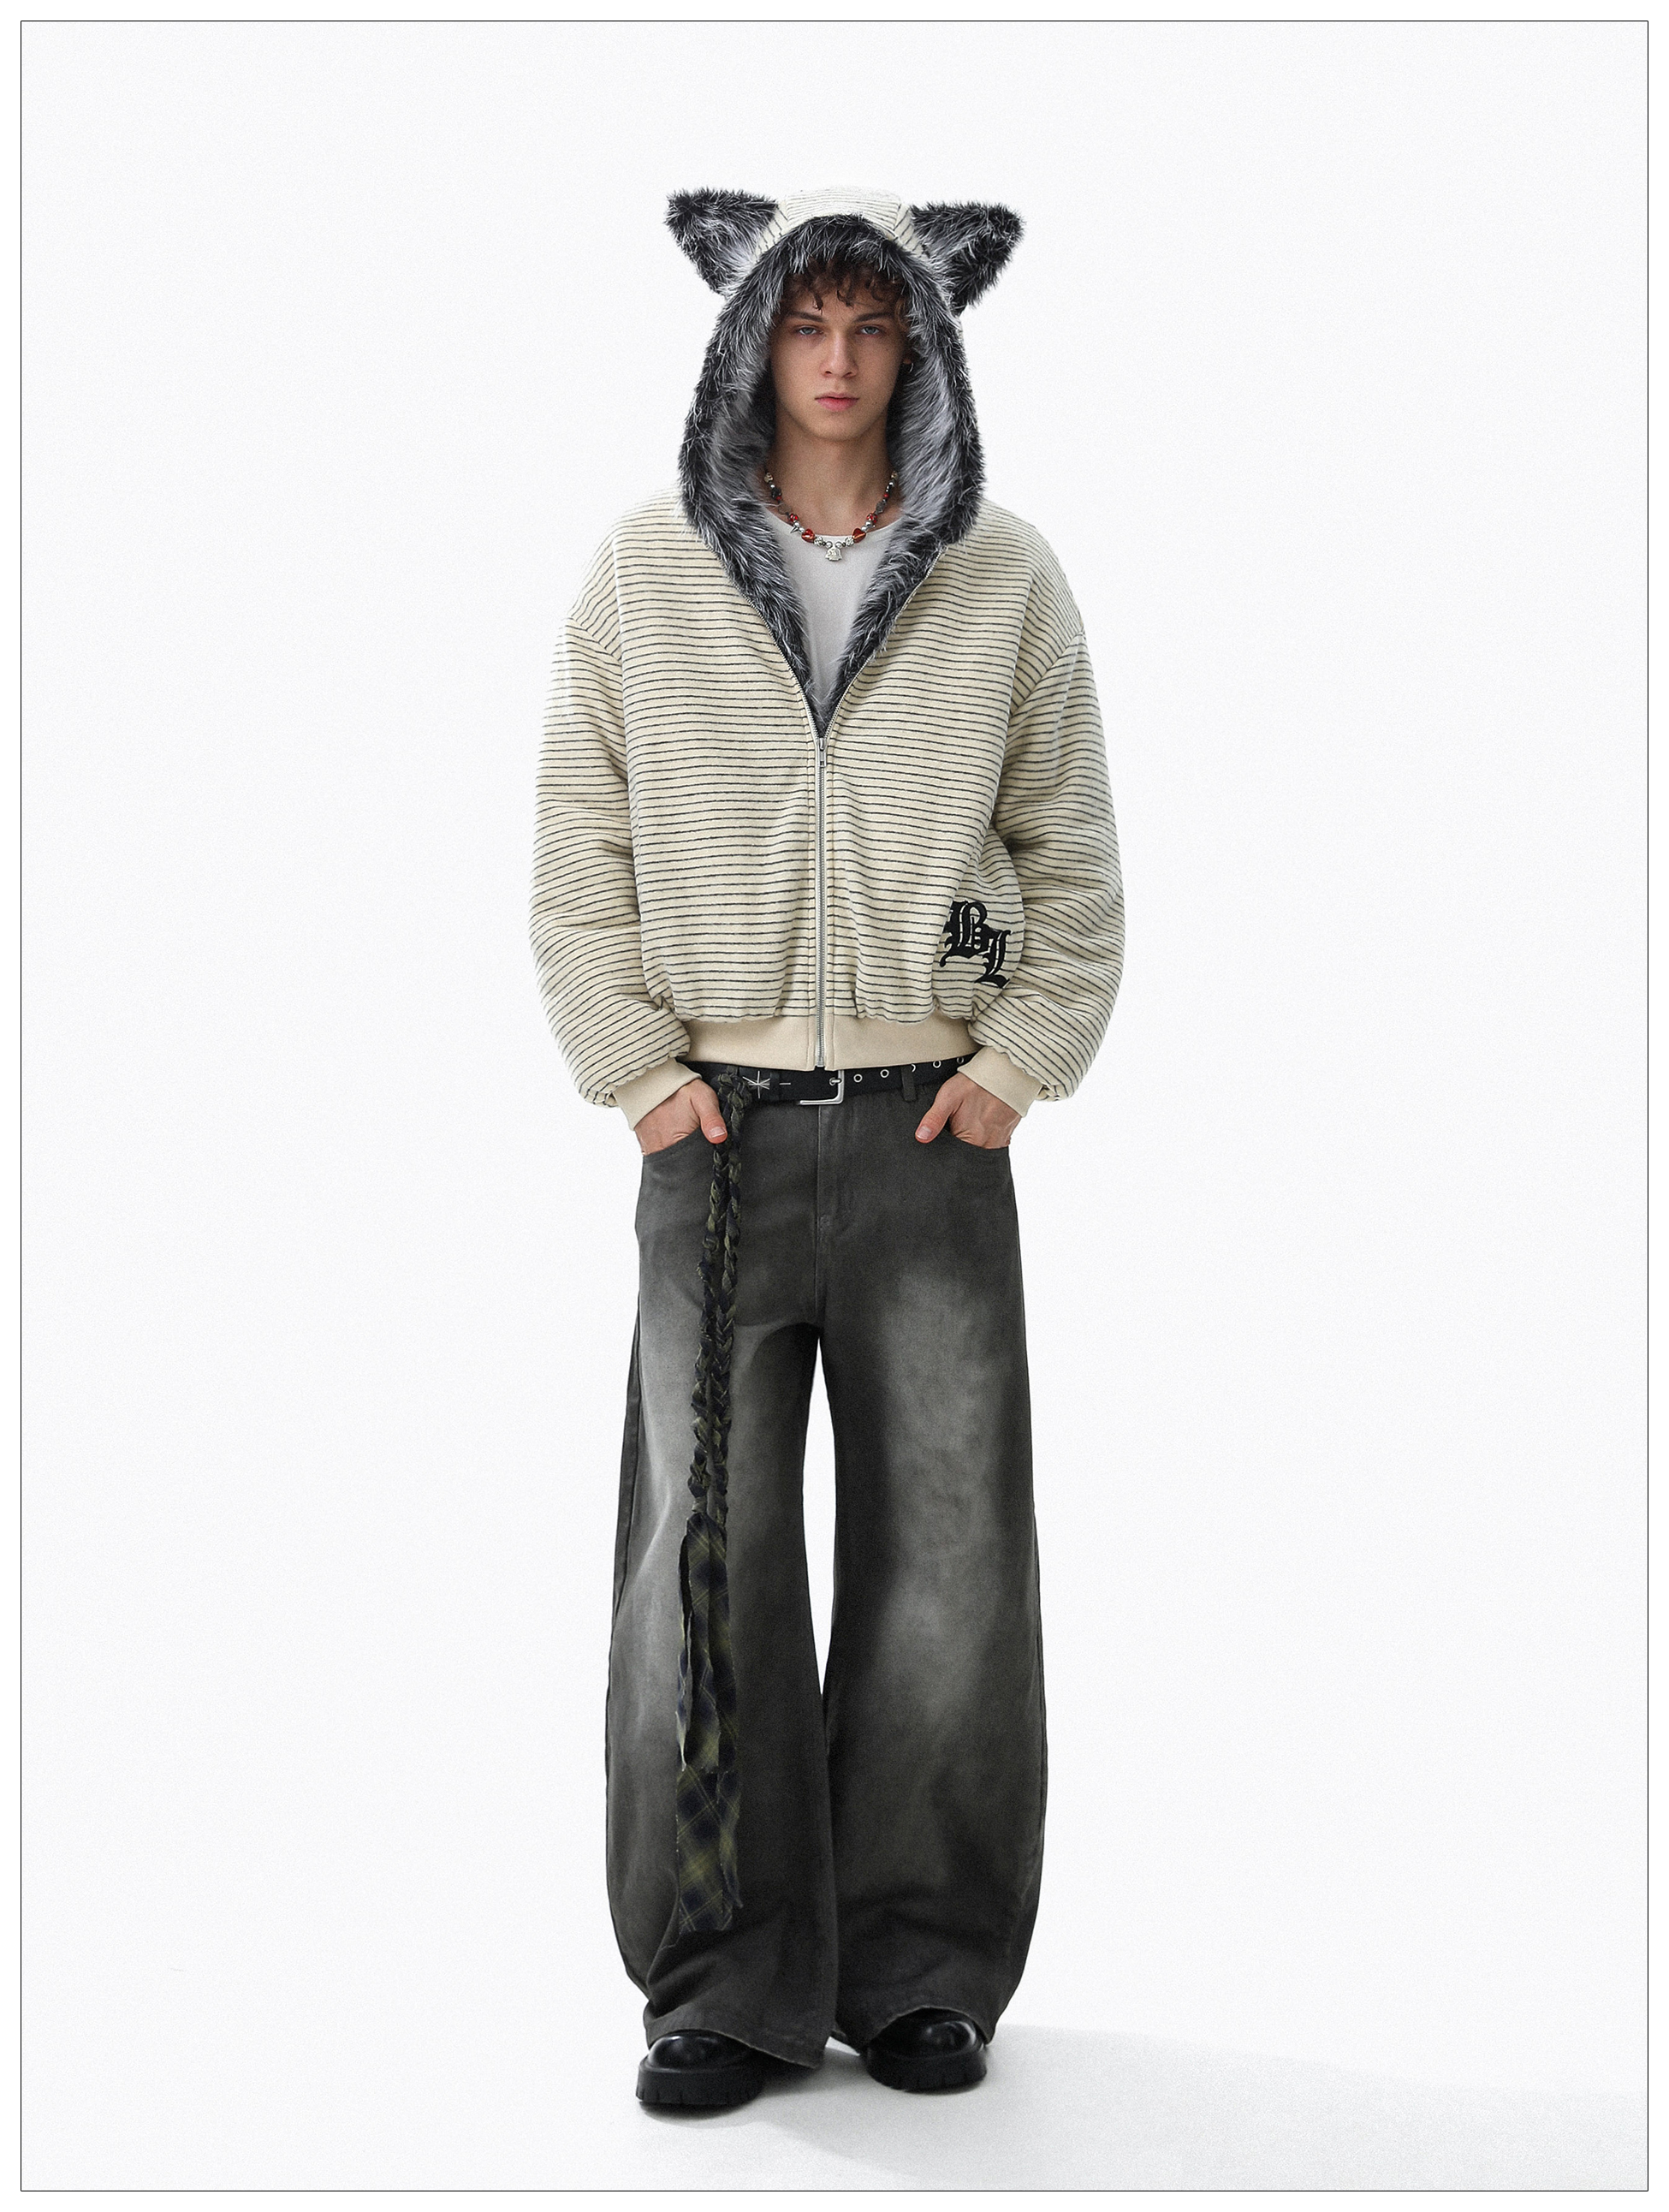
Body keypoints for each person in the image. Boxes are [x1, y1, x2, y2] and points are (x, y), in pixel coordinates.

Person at [529, 184, 1125, 2109]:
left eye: (875, 323)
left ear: (926, 342)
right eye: (808, 324)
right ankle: (719, 1981)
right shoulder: (645, 574)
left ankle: (921, 1966)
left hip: (932, 1132)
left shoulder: (1005, 579)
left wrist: (1018, 1054)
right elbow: (578, 844)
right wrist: (636, 1068)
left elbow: (1070, 851)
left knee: (950, 1562)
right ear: (750, 340)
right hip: (713, 1136)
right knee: (701, 1568)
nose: (842, 359)